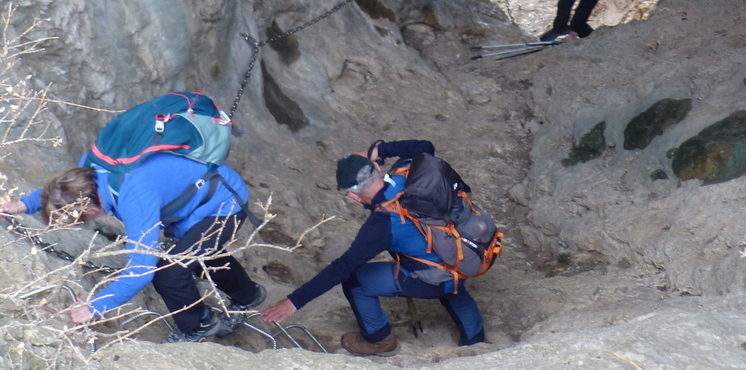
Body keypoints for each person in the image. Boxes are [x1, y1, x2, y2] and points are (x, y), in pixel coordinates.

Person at [0, 153, 266, 343]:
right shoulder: (89, 171)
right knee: (199, 253)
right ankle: (248, 295)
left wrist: (95, 306)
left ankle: (199, 325)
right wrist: (25, 204)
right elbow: (58, 193)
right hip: (199, 194)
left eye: (84, 218)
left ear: (93, 209)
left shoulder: (135, 199)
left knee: (169, 271)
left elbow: (141, 270)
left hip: (223, 203)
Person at [261, 139, 486, 356]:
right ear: (377, 167)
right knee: (447, 273)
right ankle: (474, 336)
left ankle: (379, 340)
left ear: (352, 195)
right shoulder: (408, 171)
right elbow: (425, 146)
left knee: (355, 281)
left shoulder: (382, 224)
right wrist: (375, 151)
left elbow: (343, 267)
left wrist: (293, 302)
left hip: (438, 278)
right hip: (469, 253)